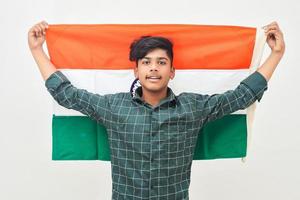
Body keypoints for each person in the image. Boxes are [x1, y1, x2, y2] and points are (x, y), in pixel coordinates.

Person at [28, 21, 285, 200]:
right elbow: (67, 94)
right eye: (146, 62)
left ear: (171, 72)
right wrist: (37, 50)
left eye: (161, 62)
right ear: (136, 71)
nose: (154, 68)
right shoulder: (114, 107)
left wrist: (276, 54)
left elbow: (241, 96)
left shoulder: (193, 108)